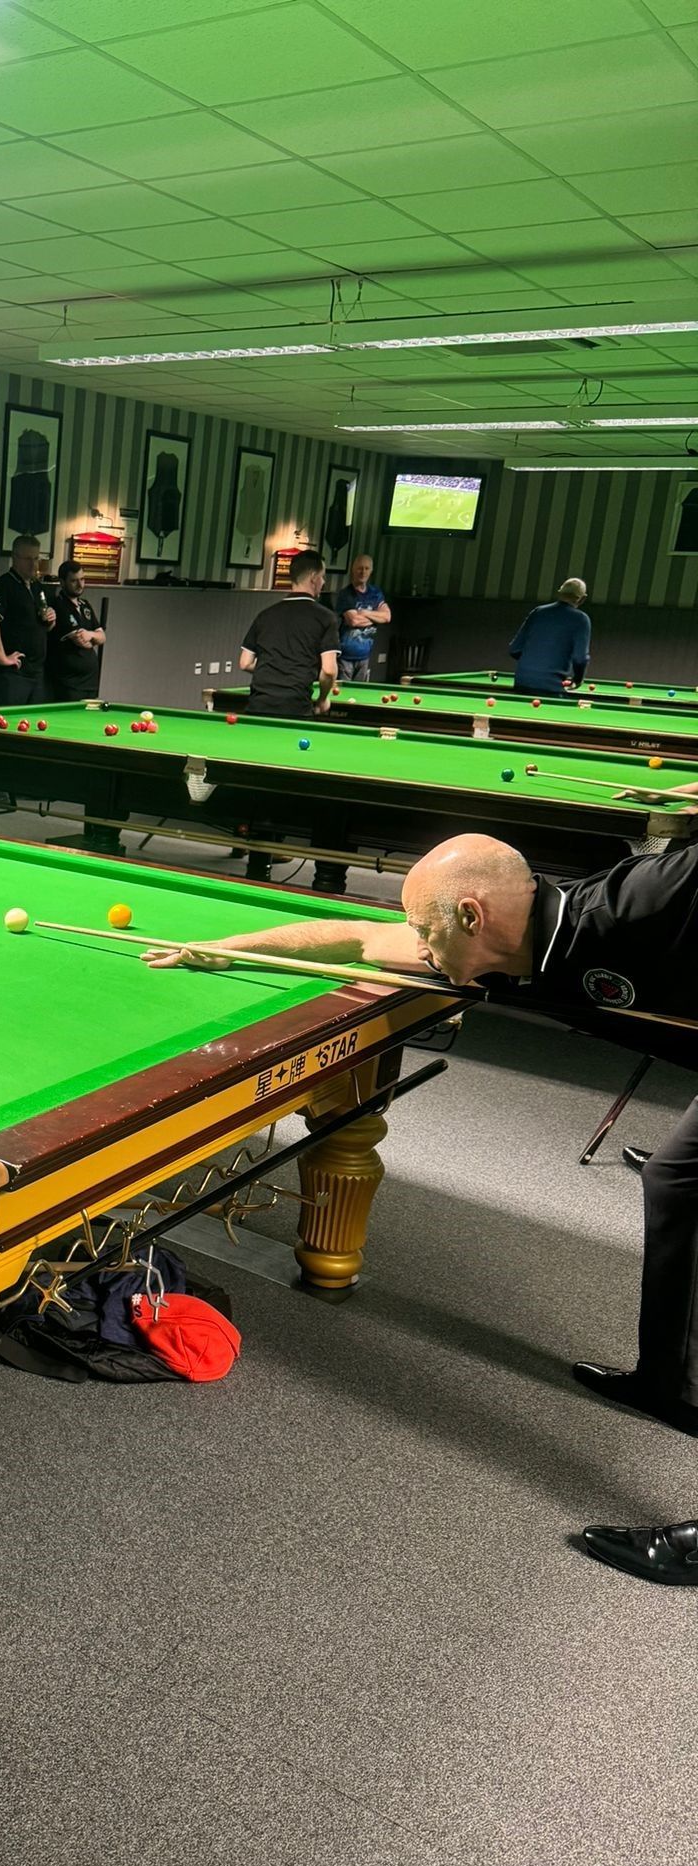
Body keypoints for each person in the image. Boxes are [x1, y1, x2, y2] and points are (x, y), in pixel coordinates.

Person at [142, 824, 698, 1587]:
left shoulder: (643, 899)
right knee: (678, 1181)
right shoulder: (495, 951)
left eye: (426, 929)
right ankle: (672, 1384)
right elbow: (355, 939)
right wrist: (226, 948)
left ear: (472, 914)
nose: (419, 945)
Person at [237, 548, 345, 893]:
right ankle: (276, 846)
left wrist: (274, 668)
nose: (323, 583)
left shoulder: (266, 614)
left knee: (258, 776)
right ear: (314, 578)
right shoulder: (325, 617)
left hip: (258, 708)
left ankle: (257, 849)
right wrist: (323, 698)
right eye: (323, 577)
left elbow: (244, 663)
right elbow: (329, 670)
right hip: (295, 710)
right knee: (286, 781)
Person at [0, 534, 53, 709]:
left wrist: (51, 619)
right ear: (14, 558)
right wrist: (3, 658)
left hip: (37, 672)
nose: (33, 564)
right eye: (28, 559)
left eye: (36, 558)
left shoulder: (37, 587)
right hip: (13, 674)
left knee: (34, 723)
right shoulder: (3, 585)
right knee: (9, 723)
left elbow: (44, 626)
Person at [508, 577, 590, 698]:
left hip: (522, 682)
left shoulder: (538, 612)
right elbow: (580, 659)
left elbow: (514, 650)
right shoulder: (581, 619)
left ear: (559, 593)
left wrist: (534, 666)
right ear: (582, 599)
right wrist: (577, 680)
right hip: (552, 687)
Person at [46, 559, 106, 701]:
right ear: (62, 582)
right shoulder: (58, 605)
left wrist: (89, 634)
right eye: (74, 581)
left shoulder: (85, 605)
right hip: (69, 684)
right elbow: (82, 641)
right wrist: (93, 637)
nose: (80, 585)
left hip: (90, 682)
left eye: (82, 579)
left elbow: (102, 637)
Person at [330, 554, 390, 682]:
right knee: (343, 692)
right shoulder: (346, 594)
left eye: (367, 568)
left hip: (365, 656)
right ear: (353, 569)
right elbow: (354, 621)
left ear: (371, 571)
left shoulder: (375, 593)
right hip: (345, 656)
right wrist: (375, 617)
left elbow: (387, 617)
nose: (363, 572)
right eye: (360, 568)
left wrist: (365, 612)